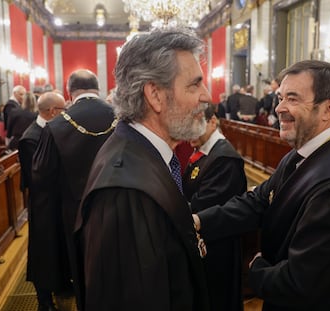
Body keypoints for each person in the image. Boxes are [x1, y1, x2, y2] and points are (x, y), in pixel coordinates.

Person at [193, 60, 330, 311]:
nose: (279, 108)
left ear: (328, 109)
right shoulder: (303, 152)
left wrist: (254, 267)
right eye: (280, 97)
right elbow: (259, 201)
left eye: (293, 99)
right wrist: (199, 221)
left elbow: (301, 282)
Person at [73, 28, 211, 311]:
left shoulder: (143, 154)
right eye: (194, 85)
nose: (206, 96)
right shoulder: (125, 193)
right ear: (155, 95)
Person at [32, 69, 116, 309]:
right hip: (119, 204)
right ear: (98, 88)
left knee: (82, 270)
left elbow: (41, 176)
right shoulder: (124, 117)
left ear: (70, 91)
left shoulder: (57, 125)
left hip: (75, 214)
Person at [182, 103, 247, 311]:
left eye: (195, 126)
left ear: (212, 122)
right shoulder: (203, 152)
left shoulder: (224, 158)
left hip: (218, 248)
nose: (190, 133)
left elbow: (204, 203)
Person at [18, 92, 66, 311]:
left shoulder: (53, 130)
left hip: (58, 202)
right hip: (43, 206)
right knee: (43, 254)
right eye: (63, 110)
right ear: (53, 111)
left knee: (60, 248)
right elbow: (38, 177)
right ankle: (44, 301)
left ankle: (62, 283)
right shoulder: (30, 137)